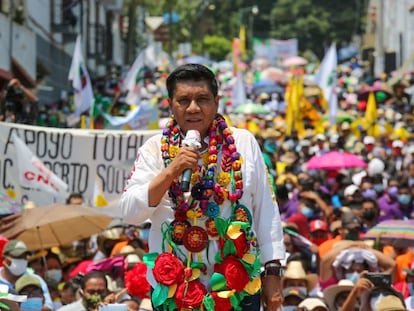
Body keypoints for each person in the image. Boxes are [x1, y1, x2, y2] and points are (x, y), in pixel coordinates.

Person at [120, 64, 285, 311]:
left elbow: (266, 210)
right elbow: (131, 213)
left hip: (238, 286)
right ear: (170, 104)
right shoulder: (154, 149)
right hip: (175, 290)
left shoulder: (243, 143)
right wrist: (171, 171)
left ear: (217, 102)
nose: (193, 108)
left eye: (202, 99)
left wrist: (272, 273)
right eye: (184, 100)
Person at [0, 239, 54, 310]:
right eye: (17, 257)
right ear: (4, 259)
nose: (22, 260)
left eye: (24, 257)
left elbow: (48, 307)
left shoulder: (36, 279)